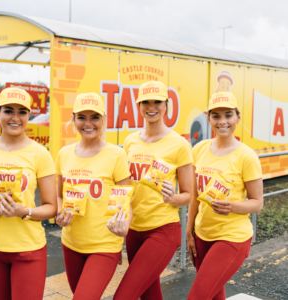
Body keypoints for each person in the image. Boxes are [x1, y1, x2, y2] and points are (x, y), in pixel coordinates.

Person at [114, 81, 194, 300]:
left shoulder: (179, 145)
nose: (151, 107)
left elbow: (188, 195)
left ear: (166, 105)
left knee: (123, 295)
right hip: (132, 229)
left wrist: (172, 197)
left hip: (162, 230)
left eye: (157, 101)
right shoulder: (130, 141)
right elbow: (124, 187)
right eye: (145, 102)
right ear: (138, 106)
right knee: (149, 293)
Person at [186, 92, 263, 300]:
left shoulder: (246, 156)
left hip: (232, 238)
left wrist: (232, 206)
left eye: (228, 115)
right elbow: (195, 196)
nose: (222, 121)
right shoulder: (200, 149)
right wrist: (189, 231)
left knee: (198, 297)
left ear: (237, 117)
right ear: (209, 118)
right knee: (213, 295)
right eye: (216, 116)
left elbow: (257, 203)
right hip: (202, 235)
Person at [55, 93, 131, 300]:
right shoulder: (64, 154)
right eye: (82, 117)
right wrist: (59, 212)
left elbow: (125, 200)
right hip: (71, 243)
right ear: (74, 119)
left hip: (104, 245)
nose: (88, 123)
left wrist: (125, 225)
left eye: (94, 117)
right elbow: (59, 196)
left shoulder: (116, 155)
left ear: (103, 120)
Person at [0, 88, 57, 300]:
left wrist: (23, 211)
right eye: (9, 111)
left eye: (22, 112)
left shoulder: (40, 154)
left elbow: (51, 207)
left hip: (28, 250)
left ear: (29, 116)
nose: (15, 118)